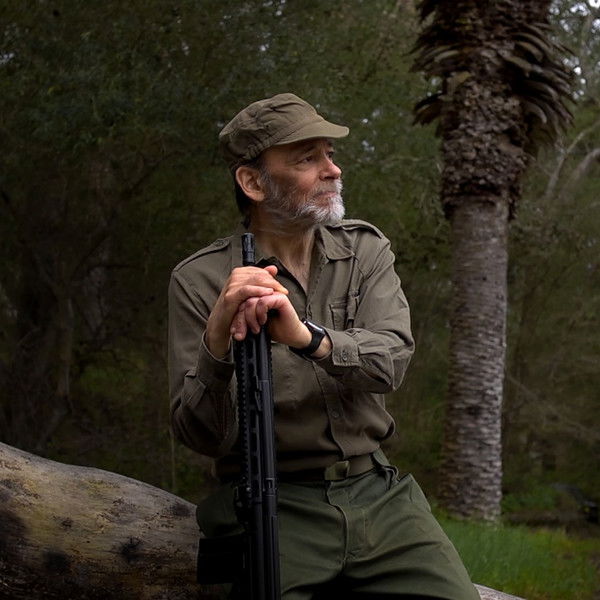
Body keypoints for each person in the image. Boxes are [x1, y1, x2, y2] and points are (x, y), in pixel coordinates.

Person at [168, 93, 479, 599]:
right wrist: (217, 342)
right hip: (275, 502)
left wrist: (307, 338)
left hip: (379, 496)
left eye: (330, 154)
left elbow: (392, 359)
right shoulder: (200, 280)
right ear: (253, 183)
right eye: (307, 159)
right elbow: (197, 434)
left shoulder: (365, 251)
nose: (332, 170)